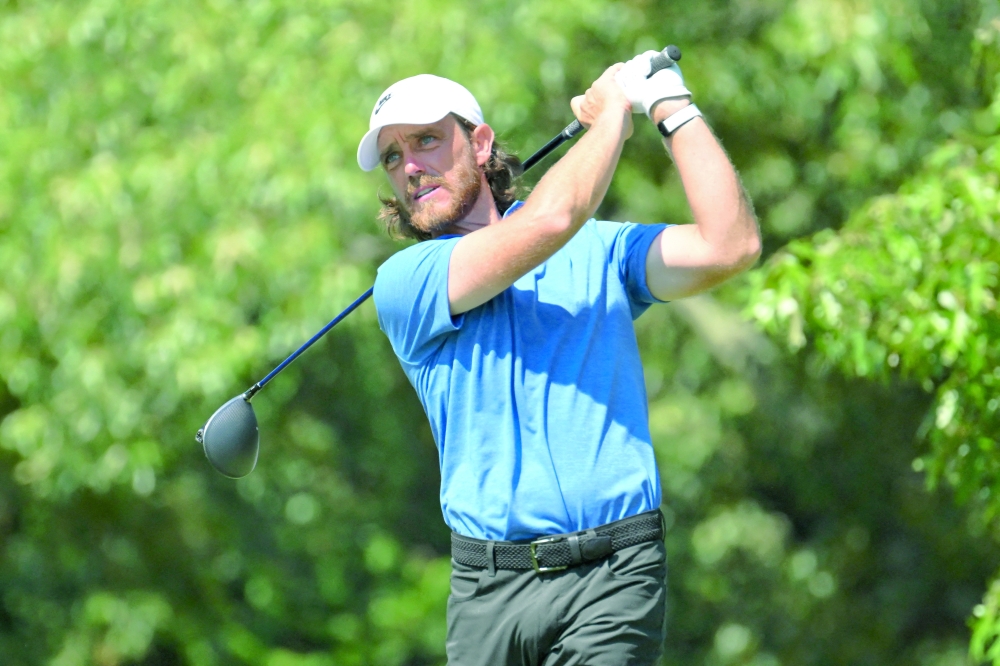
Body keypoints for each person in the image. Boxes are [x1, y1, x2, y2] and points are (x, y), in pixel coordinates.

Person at [356, 49, 761, 665]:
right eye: (392, 156)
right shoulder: (404, 282)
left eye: (427, 140)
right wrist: (611, 114)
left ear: (480, 144)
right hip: (488, 591)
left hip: (614, 575)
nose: (410, 166)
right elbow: (551, 220)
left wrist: (669, 102)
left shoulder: (599, 250)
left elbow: (730, 245)